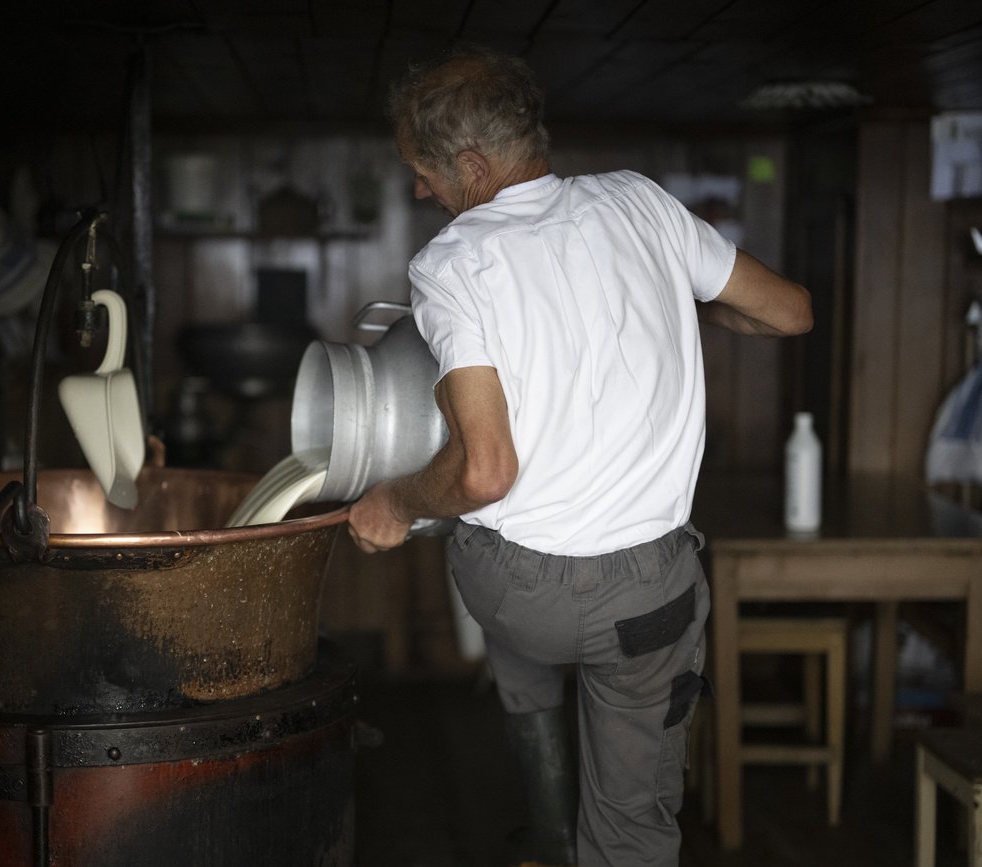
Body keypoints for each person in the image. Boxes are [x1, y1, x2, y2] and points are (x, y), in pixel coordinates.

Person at [347, 45, 813, 867]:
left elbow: (486, 471)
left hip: (519, 597)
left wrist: (394, 501)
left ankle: (546, 802)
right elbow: (790, 312)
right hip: (648, 598)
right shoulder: (641, 202)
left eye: (422, 173)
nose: (420, 191)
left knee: (474, 529)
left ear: (472, 166)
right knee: (632, 828)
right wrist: (678, 304)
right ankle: (591, 835)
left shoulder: (452, 263)